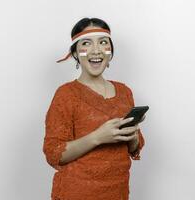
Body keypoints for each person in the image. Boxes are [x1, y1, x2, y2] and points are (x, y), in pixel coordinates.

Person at [42, 17, 145, 200]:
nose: (96, 50)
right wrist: (98, 137)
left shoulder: (124, 91)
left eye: (103, 42)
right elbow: (54, 153)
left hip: (118, 192)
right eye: (86, 43)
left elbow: (133, 148)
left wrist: (133, 135)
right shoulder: (66, 94)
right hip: (77, 192)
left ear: (110, 51)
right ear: (75, 52)